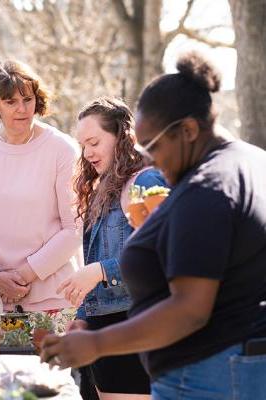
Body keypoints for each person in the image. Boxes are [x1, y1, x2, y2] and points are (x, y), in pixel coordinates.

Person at [41, 51, 266, 400]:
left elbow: (189, 309)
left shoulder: (207, 189)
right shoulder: (255, 161)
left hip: (209, 373)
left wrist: (97, 344)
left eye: (153, 147)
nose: (148, 160)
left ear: (188, 130)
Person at [0, 60, 82, 329]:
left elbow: (74, 228)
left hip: (53, 294)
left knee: (52, 371)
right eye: (10, 101)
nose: (22, 109)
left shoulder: (63, 149)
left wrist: (23, 275)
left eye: (27, 99)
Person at [57, 97, 166, 400]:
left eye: (94, 142)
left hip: (136, 327)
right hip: (104, 329)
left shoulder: (147, 181)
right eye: (83, 145)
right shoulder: (103, 189)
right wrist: (81, 315)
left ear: (122, 136)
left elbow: (165, 253)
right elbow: (96, 259)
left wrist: (102, 271)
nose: (88, 152)